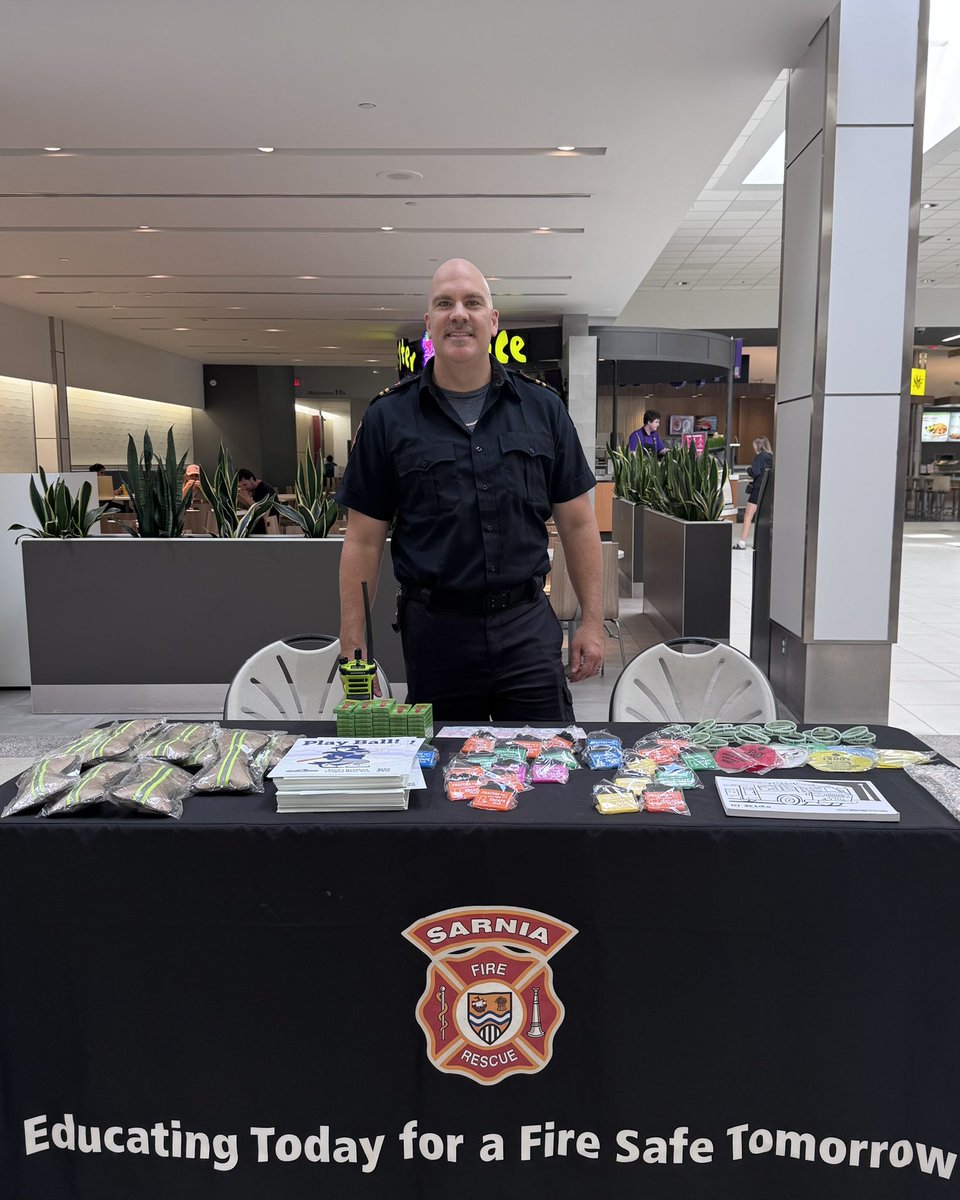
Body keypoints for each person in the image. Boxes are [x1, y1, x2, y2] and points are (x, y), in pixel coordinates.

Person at [336, 257, 603, 722]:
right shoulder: (388, 418)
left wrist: (593, 622)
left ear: (493, 321)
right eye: (445, 303)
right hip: (436, 636)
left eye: (472, 303)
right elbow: (363, 540)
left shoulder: (543, 408)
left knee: (546, 757)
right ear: (428, 323)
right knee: (443, 764)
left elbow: (579, 524)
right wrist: (353, 640)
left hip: (526, 629)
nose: (458, 314)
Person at [736, 437, 773, 549]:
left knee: (748, 515)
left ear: (759, 446)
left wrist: (748, 469)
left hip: (757, 489)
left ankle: (742, 542)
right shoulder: (772, 457)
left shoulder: (759, 457)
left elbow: (755, 472)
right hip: (768, 489)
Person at [237, 468, 277, 534]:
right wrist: (242, 499)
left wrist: (248, 499)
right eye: (240, 486)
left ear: (251, 479)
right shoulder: (254, 489)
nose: (243, 488)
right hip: (258, 524)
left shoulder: (265, 489)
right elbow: (252, 508)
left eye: (245, 484)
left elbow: (265, 515)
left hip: (267, 526)